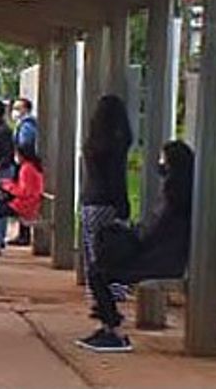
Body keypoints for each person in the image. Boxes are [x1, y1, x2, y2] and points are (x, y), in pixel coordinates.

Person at [77, 141, 194, 353]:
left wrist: (131, 236)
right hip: (160, 255)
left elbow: (154, 231)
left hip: (161, 260)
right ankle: (109, 326)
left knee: (99, 272)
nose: (160, 163)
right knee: (100, 268)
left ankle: (113, 330)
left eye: (162, 159)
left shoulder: (174, 196)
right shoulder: (178, 192)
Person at [80, 95, 133, 294]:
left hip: (89, 201)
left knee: (93, 249)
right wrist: (123, 206)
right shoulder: (116, 145)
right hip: (109, 202)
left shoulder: (91, 144)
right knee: (112, 250)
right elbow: (116, 177)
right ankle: (113, 291)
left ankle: (95, 291)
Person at [0, 141, 45, 255]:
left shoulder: (26, 168)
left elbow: (24, 192)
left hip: (24, 204)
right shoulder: (34, 167)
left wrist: (8, 187)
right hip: (30, 202)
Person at [10, 98, 39, 246]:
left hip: (24, 164)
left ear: (26, 109)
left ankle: (24, 233)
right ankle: (23, 232)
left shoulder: (26, 126)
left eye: (18, 108)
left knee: (23, 195)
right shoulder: (26, 124)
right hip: (25, 162)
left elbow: (25, 144)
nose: (14, 111)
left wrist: (20, 155)